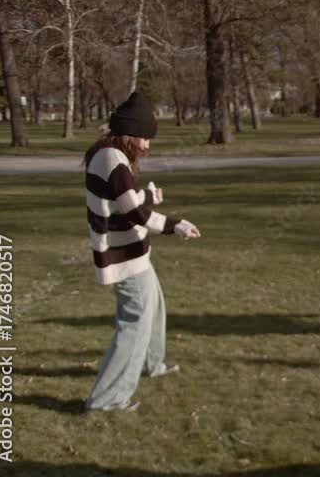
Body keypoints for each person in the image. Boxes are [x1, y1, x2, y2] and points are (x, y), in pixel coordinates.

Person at [82, 91, 201, 411]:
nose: (147, 146)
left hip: (132, 253)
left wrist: (148, 196)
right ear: (128, 133)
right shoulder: (112, 161)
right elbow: (134, 213)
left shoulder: (110, 155)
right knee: (134, 323)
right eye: (144, 138)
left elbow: (124, 202)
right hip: (124, 257)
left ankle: (152, 363)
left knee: (155, 306)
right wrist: (175, 224)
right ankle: (107, 400)